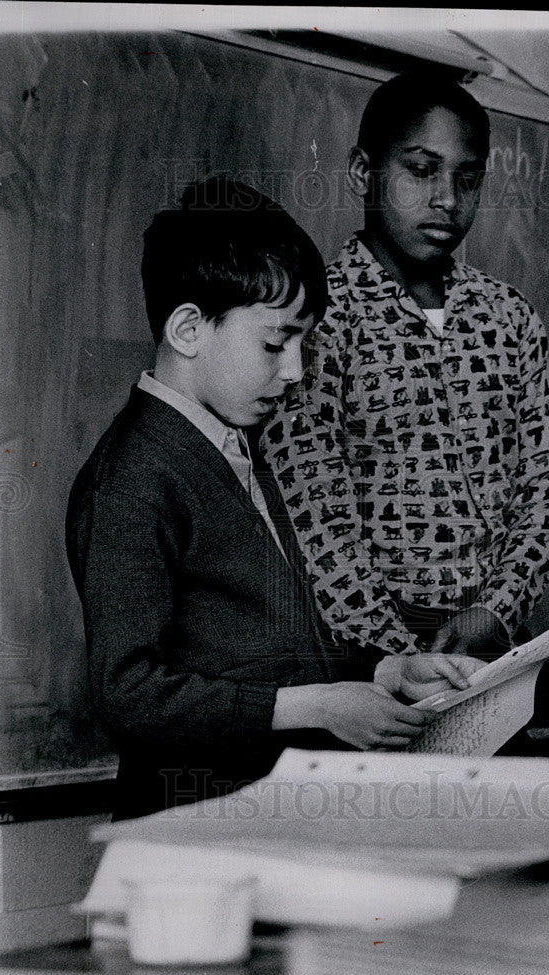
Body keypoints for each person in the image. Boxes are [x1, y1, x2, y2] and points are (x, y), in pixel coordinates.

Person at [66, 175, 475, 821]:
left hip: (256, 818)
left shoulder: (231, 446)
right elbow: (128, 693)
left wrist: (385, 672)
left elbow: (271, 647)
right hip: (192, 829)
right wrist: (316, 707)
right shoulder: (135, 476)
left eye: (302, 344)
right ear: (189, 329)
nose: (295, 372)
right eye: (273, 343)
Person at [262, 72, 549, 680]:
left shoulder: (508, 316)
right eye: (421, 170)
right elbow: (312, 506)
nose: (447, 200)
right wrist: (397, 654)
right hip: (368, 657)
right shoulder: (321, 316)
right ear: (363, 172)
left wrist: (499, 606)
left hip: (496, 646)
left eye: (467, 178)